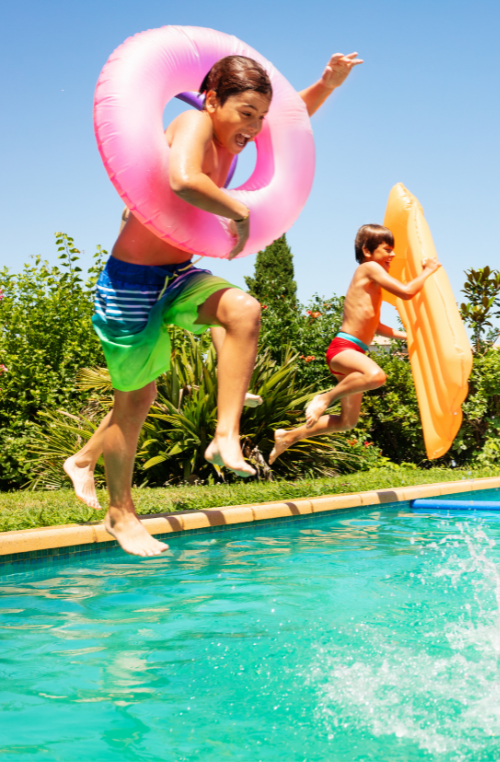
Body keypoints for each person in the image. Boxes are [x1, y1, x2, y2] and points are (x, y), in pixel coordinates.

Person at [65, 51, 363, 557]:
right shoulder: (193, 124)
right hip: (131, 282)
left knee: (243, 309)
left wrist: (326, 85)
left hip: (177, 274)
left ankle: (225, 434)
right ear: (212, 100)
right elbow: (183, 179)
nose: (254, 126)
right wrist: (237, 209)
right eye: (245, 113)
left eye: (260, 117)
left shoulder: (236, 138)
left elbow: (291, 127)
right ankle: (119, 510)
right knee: (136, 400)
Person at [268, 224, 441, 464]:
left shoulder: (373, 280)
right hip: (344, 348)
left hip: (354, 351)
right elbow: (406, 292)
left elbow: (375, 326)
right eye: (387, 249)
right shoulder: (369, 268)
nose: (392, 255)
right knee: (377, 376)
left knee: (347, 422)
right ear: (367, 251)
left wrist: (408, 336)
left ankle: (288, 436)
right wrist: (428, 271)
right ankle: (325, 398)